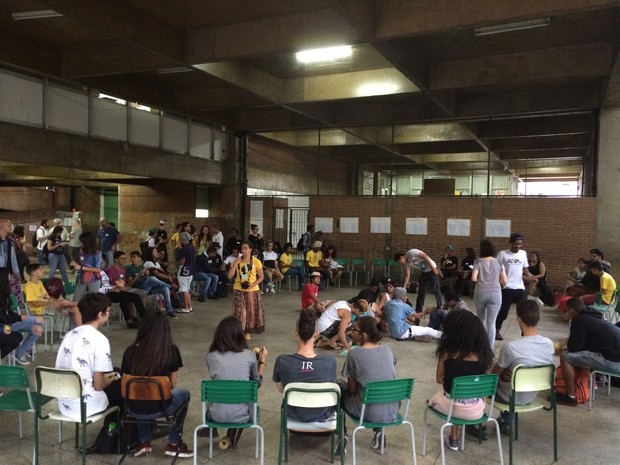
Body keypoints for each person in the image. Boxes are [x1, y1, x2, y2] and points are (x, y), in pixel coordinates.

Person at [121, 311, 193, 458]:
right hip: (161, 408)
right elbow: (172, 384)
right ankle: (174, 442)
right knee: (184, 394)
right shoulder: (171, 351)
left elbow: (126, 381)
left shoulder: (129, 351)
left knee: (140, 393)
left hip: (133, 409)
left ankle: (144, 441)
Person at [427, 310, 494, 452]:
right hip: (477, 411)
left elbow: (439, 379)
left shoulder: (447, 354)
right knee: (460, 396)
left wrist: (452, 378)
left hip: (452, 409)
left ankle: (454, 439)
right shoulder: (483, 357)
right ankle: (468, 428)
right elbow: (480, 380)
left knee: (446, 397)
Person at [491, 300, 554, 434]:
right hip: (531, 395)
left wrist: (504, 374)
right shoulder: (548, 344)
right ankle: (506, 420)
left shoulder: (511, 348)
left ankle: (473, 422)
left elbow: (493, 375)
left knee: (481, 379)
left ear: (518, 319)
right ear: (538, 318)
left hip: (508, 397)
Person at [55, 293, 122, 417]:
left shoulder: (69, 335)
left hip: (65, 404)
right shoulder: (100, 339)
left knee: (115, 371)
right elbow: (98, 385)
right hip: (86, 405)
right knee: (123, 381)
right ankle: (113, 431)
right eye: (108, 311)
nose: (109, 314)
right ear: (100, 315)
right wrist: (113, 377)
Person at [206, 316, 267, 448]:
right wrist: (261, 362)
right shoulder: (249, 356)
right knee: (245, 397)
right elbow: (256, 384)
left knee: (229, 389)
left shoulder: (211, 356)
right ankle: (231, 437)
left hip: (215, 414)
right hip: (242, 416)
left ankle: (226, 436)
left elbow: (221, 377)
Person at [341, 316, 398, 450]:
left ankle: (341, 435)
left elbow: (352, 389)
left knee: (338, 388)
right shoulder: (387, 349)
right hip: (392, 410)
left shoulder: (354, 355)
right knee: (377, 388)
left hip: (367, 412)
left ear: (364, 335)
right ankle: (379, 431)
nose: (351, 332)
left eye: (355, 329)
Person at [272, 310, 337, 422]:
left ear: (296, 332)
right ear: (316, 333)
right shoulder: (329, 362)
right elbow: (331, 387)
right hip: (322, 414)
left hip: (293, 414)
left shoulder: (282, 361)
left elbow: (281, 389)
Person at [557, 297, 620, 406]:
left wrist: (565, 346)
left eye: (566, 312)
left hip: (614, 362)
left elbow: (574, 348)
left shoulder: (579, 320)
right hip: (614, 355)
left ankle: (570, 396)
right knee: (584, 354)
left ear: (571, 311)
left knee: (565, 357)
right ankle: (588, 384)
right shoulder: (594, 316)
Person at [0, 268, 43, 365]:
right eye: (9, 276)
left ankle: (20, 353)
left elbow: (8, 312)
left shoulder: (5, 295)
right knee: (38, 320)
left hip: (8, 324)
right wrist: (19, 318)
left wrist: (18, 316)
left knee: (37, 329)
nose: (11, 278)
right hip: (4, 327)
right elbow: (4, 318)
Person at [495, 233, 533, 341]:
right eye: (515, 244)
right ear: (510, 243)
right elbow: (496, 268)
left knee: (525, 312)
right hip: (507, 287)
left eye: (520, 244)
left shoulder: (523, 254)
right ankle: (497, 330)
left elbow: (525, 269)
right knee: (504, 312)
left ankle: (525, 333)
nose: (517, 246)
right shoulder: (502, 254)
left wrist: (530, 276)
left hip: (520, 287)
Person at [472, 239, 507, 347]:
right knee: (491, 322)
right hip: (495, 293)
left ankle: (479, 344)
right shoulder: (499, 262)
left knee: (480, 319)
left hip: (480, 292)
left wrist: (482, 281)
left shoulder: (477, 261)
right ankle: (490, 348)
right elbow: (504, 281)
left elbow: (473, 278)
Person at [227, 241, 264, 340]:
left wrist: (252, 284)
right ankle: (238, 331)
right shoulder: (236, 260)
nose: (243, 250)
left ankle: (246, 331)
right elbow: (229, 275)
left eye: (245, 248)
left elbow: (261, 277)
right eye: (242, 248)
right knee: (240, 311)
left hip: (252, 290)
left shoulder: (256, 261)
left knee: (249, 312)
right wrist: (236, 264)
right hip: (239, 289)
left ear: (250, 249)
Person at [395, 248, 443, 314]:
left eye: (399, 262)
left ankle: (439, 306)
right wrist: (404, 288)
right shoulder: (407, 263)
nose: (400, 263)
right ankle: (418, 309)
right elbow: (407, 275)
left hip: (431, 270)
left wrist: (433, 268)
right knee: (421, 290)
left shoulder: (411, 252)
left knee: (436, 288)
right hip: (424, 272)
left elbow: (424, 256)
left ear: (401, 257)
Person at [70, 231, 102, 302]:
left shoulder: (97, 253)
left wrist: (81, 267)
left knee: (93, 301)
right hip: (83, 278)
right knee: (76, 300)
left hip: (94, 279)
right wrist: (75, 263)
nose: (80, 243)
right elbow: (81, 262)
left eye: (82, 242)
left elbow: (98, 269)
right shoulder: (81, 251)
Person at [175, 232, 196, 314]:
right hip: (191, 270)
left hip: (184, 271)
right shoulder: (192, 247)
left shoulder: (184, 249)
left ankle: (186, 307)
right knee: (187, 289)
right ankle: (190, 306)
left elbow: (182, 261)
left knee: (184, 290)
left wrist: (173, 263)